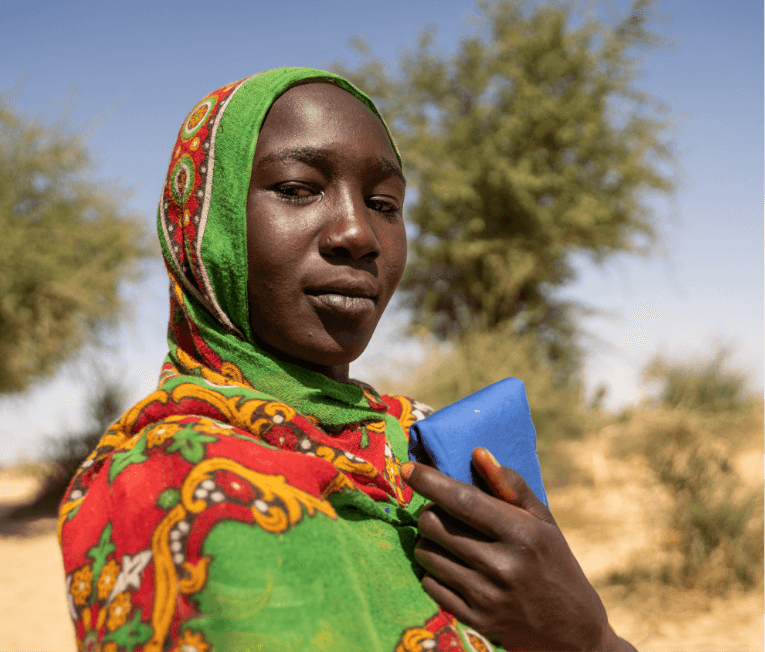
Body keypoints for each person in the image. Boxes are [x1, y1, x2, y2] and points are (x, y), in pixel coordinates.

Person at [58, 67, 637, 651]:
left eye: (384, 203)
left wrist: (585, 632)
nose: (360, 233)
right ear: (206, 227)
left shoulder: (422, 448)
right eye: (297, 188)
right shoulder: (171, 478)